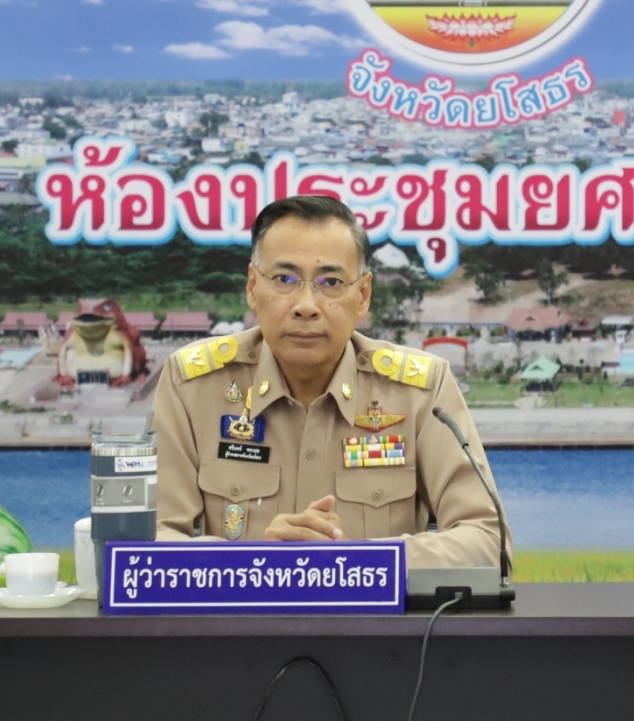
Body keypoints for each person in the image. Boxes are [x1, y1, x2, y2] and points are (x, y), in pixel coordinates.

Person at [152, 194, 504, 569]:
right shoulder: (192, 386)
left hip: (377, 627)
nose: (306, 304)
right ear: (253, 287)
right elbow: (143, 544)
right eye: (284, 279)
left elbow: (488, 544)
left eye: (331, 282)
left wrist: (354, 563)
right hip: (239, 626)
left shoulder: (420, 391)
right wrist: (257, 562)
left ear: (363, 294)